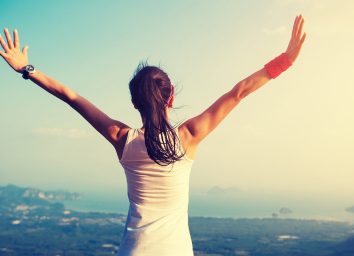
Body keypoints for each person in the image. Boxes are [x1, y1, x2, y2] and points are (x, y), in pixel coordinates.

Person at [0, 14, 306, 256]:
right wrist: (286, 60)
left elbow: (70, 96)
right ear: (171, 96)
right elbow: (238, 93)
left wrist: (26, 68)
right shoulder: (189, 137)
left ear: (135, 102)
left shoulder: (122, 137)